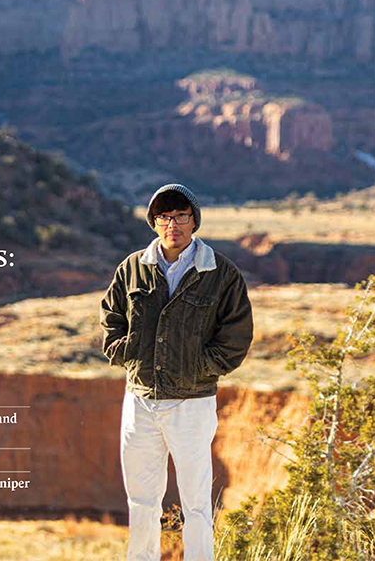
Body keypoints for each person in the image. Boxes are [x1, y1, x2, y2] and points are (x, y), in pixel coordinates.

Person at [100, 183, 253, 561]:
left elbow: (236, 336)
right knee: (141, 499)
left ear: (194, 221)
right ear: (154, 223)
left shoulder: (220, 273)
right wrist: (130, 356)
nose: (174, 224)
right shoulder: (132, 269)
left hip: (192, 404)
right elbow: (110, 321)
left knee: (197, 503)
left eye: (182, 216)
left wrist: (199, 369)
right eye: (165, 217)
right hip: (141, 401)